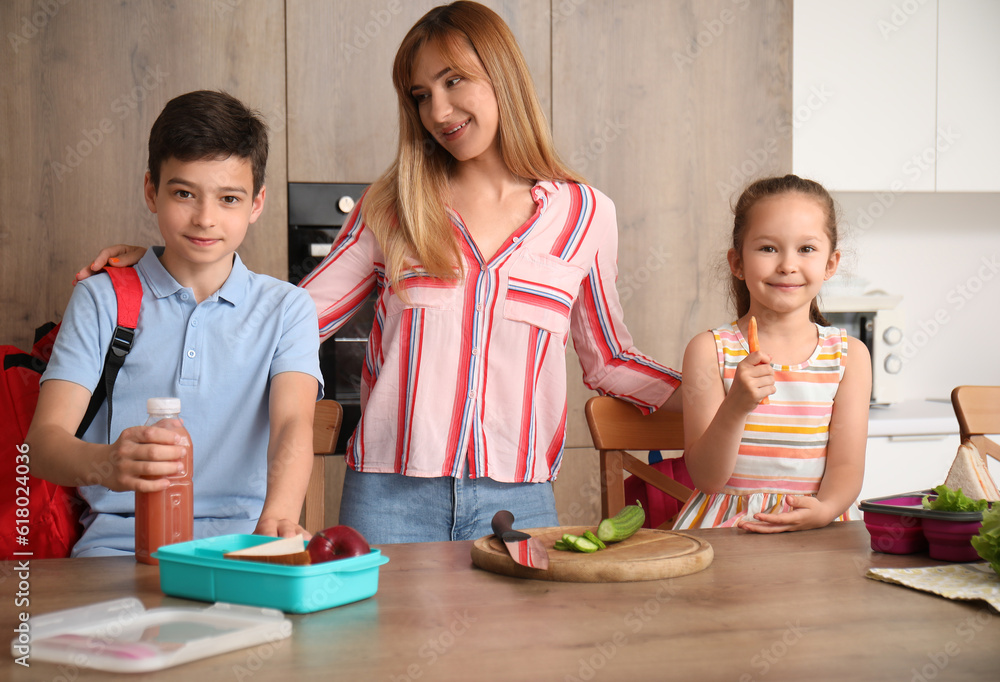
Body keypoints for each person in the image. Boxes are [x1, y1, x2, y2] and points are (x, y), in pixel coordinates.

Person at [76, 2, 681, 544]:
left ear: (503, 76)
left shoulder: (585, 214)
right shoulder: (391, 206)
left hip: (519, 500)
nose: (438, 110)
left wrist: (721, 395)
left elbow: (608, 359)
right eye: (420, 95)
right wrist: (177, 260)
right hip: (388, 500)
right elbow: (289, 318)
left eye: (453, 82)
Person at [28, 90, 323, 557]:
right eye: (184, 193)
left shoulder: (288, 308)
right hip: (118, 549)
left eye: (229, 198)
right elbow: (42, 446)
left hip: (243, 545)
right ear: (151, 190)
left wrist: (279, 517)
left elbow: (293, 423)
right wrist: (107, 463)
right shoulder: (101, 298)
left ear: (257, 203)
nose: (205, 219)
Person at [672, 174, 871, 533]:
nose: (787, 265)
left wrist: (824, 510)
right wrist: (736, 405)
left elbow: (846, 468)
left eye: (806, 249)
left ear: (830, 264)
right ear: (737, 262)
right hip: (728, 530)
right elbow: (707, 478)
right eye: (768, 248)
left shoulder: (850, 356)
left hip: (817, 527)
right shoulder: (709, 350)